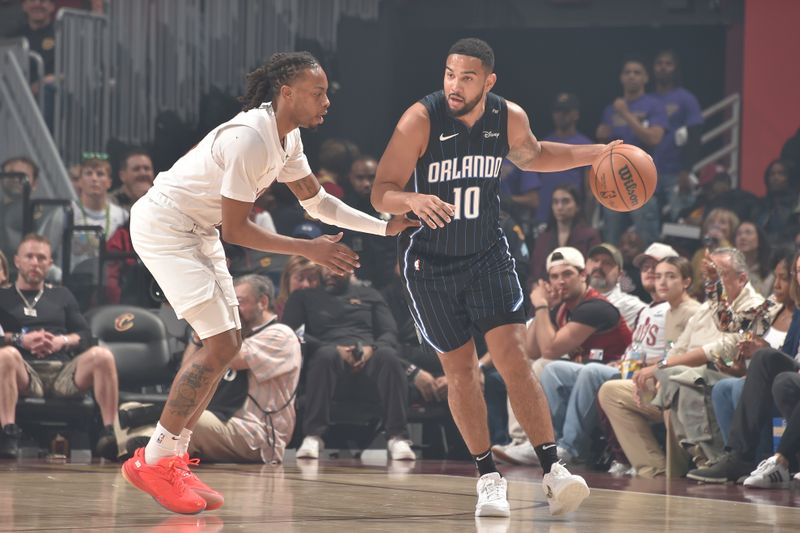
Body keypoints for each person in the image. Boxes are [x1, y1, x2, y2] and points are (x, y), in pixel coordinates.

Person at [120, 51, 416, 515]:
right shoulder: (251, 138)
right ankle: (155, 458)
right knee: (220, 346)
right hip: (165, 225)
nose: (326, 102)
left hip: (197, 229)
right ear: (287, 93)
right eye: (317, 93)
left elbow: (317, 203)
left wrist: (383, 226)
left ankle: (171, 455)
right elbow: (237, 231)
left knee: (227, 344)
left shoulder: (287, 138)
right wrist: (308, 249)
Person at [371, 37, 618, 517]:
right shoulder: (420, 119)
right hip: (431, 265)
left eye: (465, 77)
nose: (454, 85)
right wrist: (411, 200)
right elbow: (382, 190)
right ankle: (488, 477)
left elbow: (537, 155)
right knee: (461, 371)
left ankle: (553, 468)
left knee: (513, 357)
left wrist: (598, 152)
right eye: (448, 74)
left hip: (487, 253)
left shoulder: (509, 117)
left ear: (489, 81)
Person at [495, 247, 632, 466]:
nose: (561, 282)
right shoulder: (561, 309)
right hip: (586, 375)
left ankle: (568, 447)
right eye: (554, 276)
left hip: (616, 372)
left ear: (583, 275)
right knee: (546, 367)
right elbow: (531, 351)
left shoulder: (595, 307)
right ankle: (544, 441)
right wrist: (545, 308)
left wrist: (540, 305)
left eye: (567, 274)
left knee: (550, 364)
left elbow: (550, 349)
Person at [0, 234, 119, 460]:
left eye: (41, 258)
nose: (35, 262)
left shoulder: (61, 294)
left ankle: (109, 434)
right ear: (17, 261)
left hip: (63, 372)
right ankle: (8, 431)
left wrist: (61, 341)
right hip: (24, 371)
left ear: (50, 264)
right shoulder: (3, 297)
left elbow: (85, 335)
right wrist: (19, 340)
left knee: (102, 355)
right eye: (30, 256)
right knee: (5, 355)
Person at [283, 266, 415, 461]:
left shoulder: (370, 294)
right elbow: (290, 331)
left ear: (351, 270)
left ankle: (398, 437)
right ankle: (313, 436)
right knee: (325, 355)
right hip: (328, 352)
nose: (330, 273)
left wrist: (374, 349)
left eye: (337, 268)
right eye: (326, 268)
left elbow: (389, 332)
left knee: (388, 356)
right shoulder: (305, 297)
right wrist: (330, 348)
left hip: (368, 354)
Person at [596, 55, 667, 245]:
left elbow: (654, 138)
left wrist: (625, 114)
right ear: (621, 78)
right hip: (613, 183)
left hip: (643, 183)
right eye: (627, 72)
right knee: (611, 242)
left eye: (637, 72)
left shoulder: (654, 105)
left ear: (646, 78)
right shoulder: (610, 110)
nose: (632, 76)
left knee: (647, 243)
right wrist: (602, 136)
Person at [651, 50, 704, 221]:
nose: (663, 67)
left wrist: (686, 170)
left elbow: (695, 136)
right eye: (659, 63)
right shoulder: (647, 100)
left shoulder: (686, 99)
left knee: (680, 222)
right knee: (648, 222)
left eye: (668, 63)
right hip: (648, 172)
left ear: (675, 68)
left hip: (676, 173)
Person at [529, 185, 600, 282]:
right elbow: (534, 273)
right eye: (555, 202)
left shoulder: (590, 235)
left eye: (565, 201)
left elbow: (593, 270)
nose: (559, 207)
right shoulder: (543, 238)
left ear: (577, 206)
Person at [735, 221, 773, 297]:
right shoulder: (730, 269)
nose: (742, 237)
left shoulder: (771, 273)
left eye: (748, 233)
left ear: (759, 239)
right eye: (739, 234)